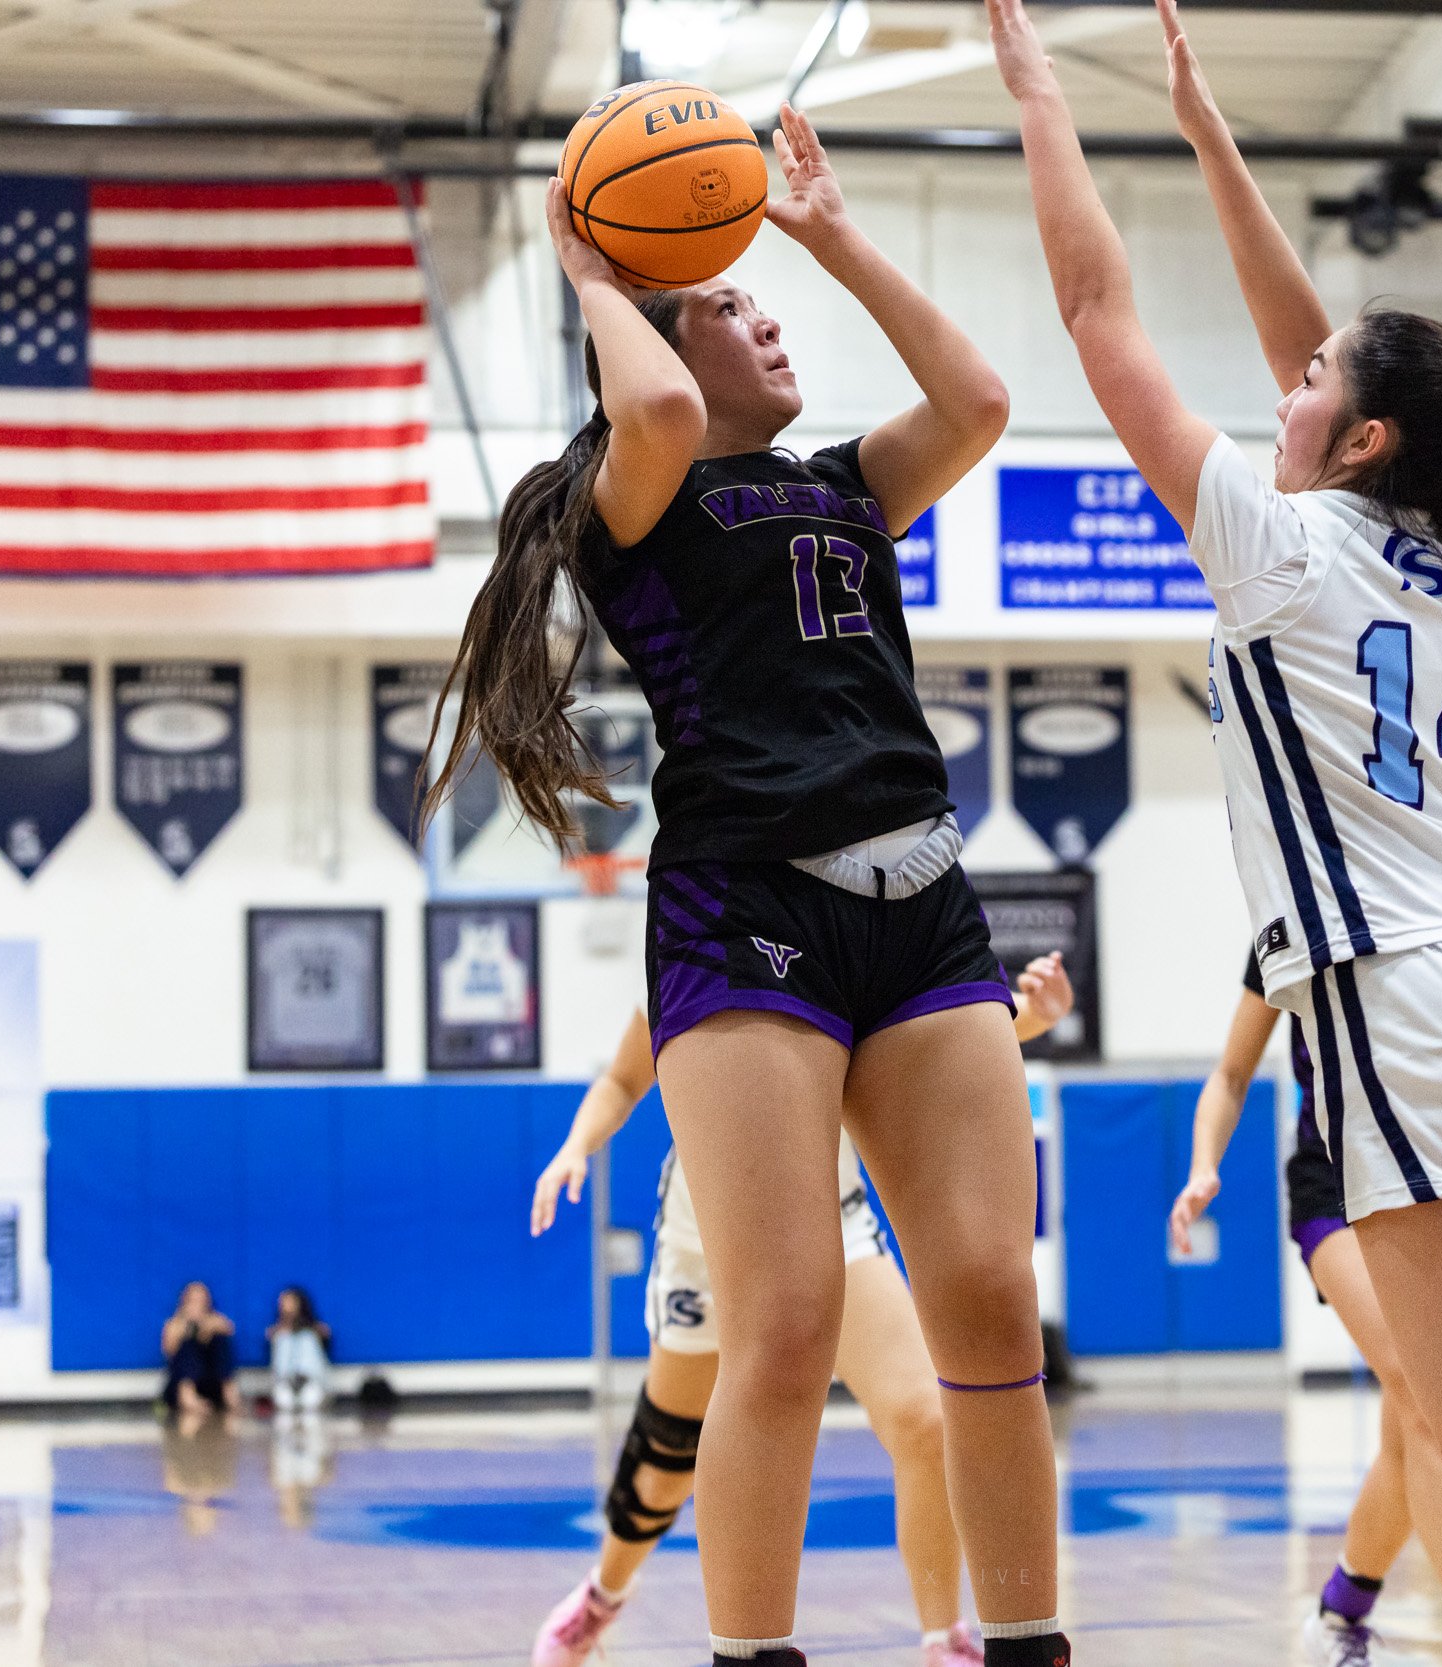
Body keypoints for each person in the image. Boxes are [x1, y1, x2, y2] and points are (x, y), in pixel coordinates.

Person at [986, 5, 1442, 1663]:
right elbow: (1321, 353)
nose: (1287, 390)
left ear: (1364, 436)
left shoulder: (1280, 547)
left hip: (1417, 1004)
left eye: (1313, 387)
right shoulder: (1437, 551)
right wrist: (1206, 136)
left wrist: (1039, 94)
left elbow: (1097, 309)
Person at [429, 107, 1063, 1667]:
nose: (765, 319)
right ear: (657, 342)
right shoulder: (634, 502)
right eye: (727, 303)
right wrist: (595, 266)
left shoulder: (843, 483)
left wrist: (831, 237)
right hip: (746, 908)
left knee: (993, 1299)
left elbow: (980, 398)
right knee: (781, 1322)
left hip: (922, 893)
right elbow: (651, 401)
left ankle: (1027, 1639)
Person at [528, 953, 1072, 1667]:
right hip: (708, 1232)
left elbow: (933, 1027)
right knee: (665, 1456)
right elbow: (624, 1079)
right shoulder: (692, 936)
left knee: (924, 1418)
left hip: (831, 1217)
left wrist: (1032, 1016)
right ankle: (605, 1592)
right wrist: (575, 1146)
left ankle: (944, 1639)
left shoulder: (864, 925)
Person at [1172, 952, 1442, 1667]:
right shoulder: (1287, 926)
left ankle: (1339, 1615)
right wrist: (1204, 1163)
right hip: (1331, 1190)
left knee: (1406, 1435)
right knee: (1423, 1390)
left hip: (1432, 1187)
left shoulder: (1440, 911)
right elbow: (1232, 1074)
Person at [162, 1280, 237, 1416]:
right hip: (182, 1383)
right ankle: (188, 1396)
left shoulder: (215, 1320)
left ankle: (228, 1392)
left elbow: (229, 1329)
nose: (197, 1305)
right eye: (193, 1300)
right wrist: (188, 1326)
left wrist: (204, 1327)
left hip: (212, 1381)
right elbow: (168, 1350)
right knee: (188, 1342)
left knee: (220, 1340)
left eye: (201, 1300)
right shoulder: (173, 1324)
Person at [268, 1285, 334, 1416]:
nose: (285, 1306)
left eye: (289, 1302)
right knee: (285, 1403)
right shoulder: (278, 1332)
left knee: (310, 1401)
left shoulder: (314, 1330)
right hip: (286, 1381)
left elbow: (325, 1333)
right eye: (283, 1302)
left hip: (311, 1380)